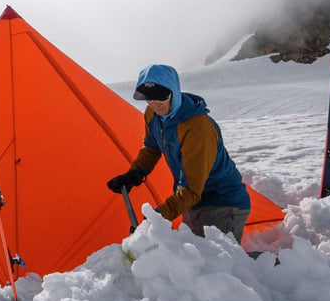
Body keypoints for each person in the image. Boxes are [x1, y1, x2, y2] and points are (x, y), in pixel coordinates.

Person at [106, 64, 251, 241]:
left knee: (218, 263)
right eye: (148, 99)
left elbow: (191, 189)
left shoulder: (197, 127)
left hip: (222, 203)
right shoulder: (153, 114)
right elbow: (152, 147)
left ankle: (275, 267)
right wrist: (135, 174)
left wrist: (154, 219)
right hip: (191, 203)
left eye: (160, 97)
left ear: (174, 92)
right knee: (190, 262)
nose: (154, 104)